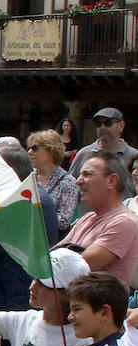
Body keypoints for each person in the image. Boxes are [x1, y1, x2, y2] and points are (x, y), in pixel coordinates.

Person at [60, 153, 138, 284]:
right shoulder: (86, 218)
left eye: (87, 174)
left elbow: (75, 268)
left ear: (112, 181)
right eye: (80, 174)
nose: (78, 181)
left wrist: (60, 259)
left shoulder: (125, 222)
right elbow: (51, 258)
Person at [69, 108, 138, 204]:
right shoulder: (83, 154)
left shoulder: (134, 156)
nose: (102, 127)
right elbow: (70, 189)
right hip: (89, 217)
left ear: (121, 126)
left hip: (123, 217)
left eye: (107, 123)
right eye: (98, 124)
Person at [30, 129, 81, 233]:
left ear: (51, 151)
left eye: (35, 148)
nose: (29, 152)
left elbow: (64, 221)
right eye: (29, 148)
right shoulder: (28, 177)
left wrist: (33, 216)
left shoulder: (68, 182)